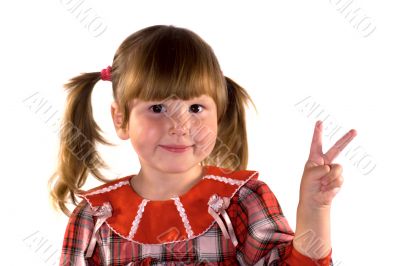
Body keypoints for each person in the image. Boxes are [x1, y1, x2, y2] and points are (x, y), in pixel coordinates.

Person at [50, 25, 357, 265]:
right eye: (157, 108)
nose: (180, 127)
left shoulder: (242, 201)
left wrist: (315, 207)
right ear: (121, 119)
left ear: (219, 117)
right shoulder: (95, 218)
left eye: (195, 108)